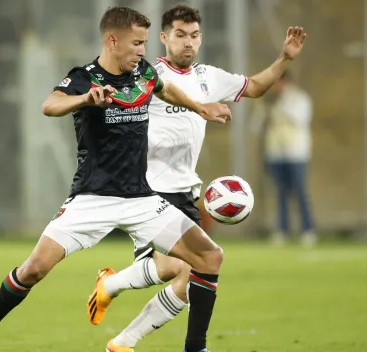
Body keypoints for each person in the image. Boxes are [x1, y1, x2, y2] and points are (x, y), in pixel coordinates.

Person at [0, 6, 233, 352]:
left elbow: (164, 88)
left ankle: (195, 348)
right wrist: (85, 99)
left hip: (142, 199)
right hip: (92, 198)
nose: (142, 51)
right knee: (33, 269)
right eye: (136, 44)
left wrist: (200, 107)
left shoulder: (144, 73)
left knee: (210, 257)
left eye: (145, 43)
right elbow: (50, 104)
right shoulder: (85, 77)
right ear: (112, 41)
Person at [87, 5, 307, 352]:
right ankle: (177, 339)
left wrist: (284, 58)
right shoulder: (146, 74)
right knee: (185, 264)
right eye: (179, 35)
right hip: (146, 188)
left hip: (184, 190)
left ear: (201, 38)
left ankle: (121, 331)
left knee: (188, 274)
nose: (188, 43)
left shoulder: (209, 77)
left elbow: (255, 87)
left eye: (194, 35)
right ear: (163, 38)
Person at [255, 71, 316, 247]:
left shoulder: (298, 98)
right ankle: (283, 230)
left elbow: (301, 119)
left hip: (296, 152)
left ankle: (307, 230)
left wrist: (280, 105)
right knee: (280, 193)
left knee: (300, 192)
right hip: (275, 152)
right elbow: (256, 126)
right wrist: (264, 108)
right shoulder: (267, 101)